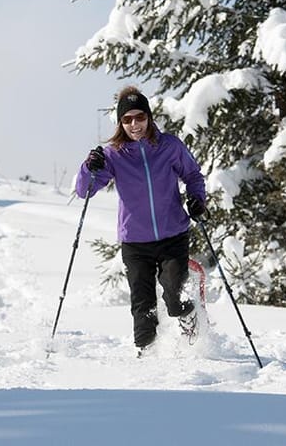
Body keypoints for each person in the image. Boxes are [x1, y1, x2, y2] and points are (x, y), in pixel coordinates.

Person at [76, 85, 206, 351]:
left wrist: (196, 199)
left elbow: (192, 175)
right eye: (127, 119)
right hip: (135, 242)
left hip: (173, 235)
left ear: (149, 117)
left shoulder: (169, 146)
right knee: (142, 307)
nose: (134, 124)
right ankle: (146, 358)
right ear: (120, 123)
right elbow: (84, 191)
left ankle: (191, 323)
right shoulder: (113, 155)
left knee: (174, 297)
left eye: (139, 117)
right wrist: (89, 167)